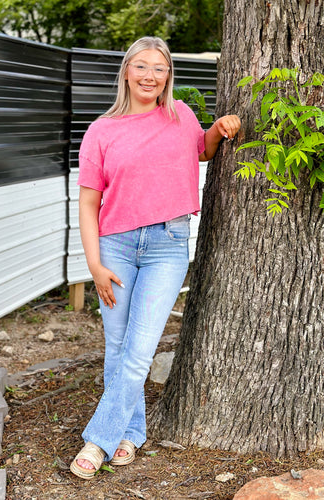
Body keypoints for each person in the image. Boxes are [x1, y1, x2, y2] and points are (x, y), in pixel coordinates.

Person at [70, 36, 241, 480]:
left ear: (168, 76)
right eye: (142, 66)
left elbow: (200, 150)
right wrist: (94, 265)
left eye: (159, 68)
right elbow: (89, 204)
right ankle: (129, 434)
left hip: (168, 244)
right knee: (118, 347)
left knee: (139, 350)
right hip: (116, 247)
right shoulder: (101, 131)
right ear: (127, 71)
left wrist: (217, 129)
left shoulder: (179, 115)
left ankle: (98, 440)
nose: (150, 76)